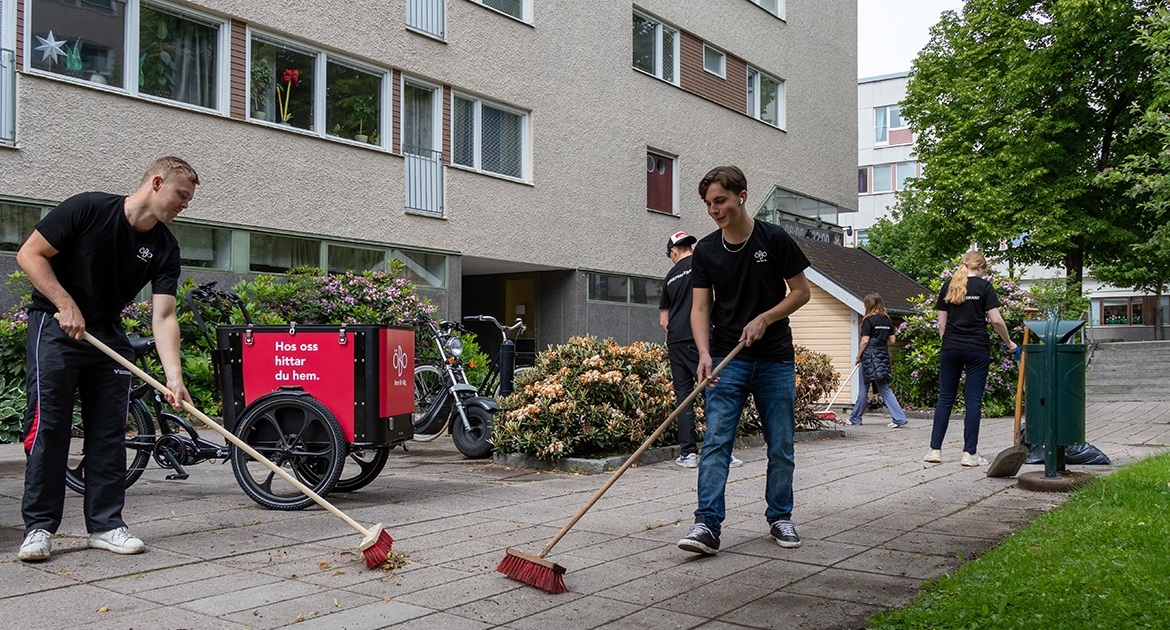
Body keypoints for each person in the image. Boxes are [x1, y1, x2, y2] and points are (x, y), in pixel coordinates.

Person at [16, 157, 198, 562]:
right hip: (56, 326)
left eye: (189, 199)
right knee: (49, 427)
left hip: (107, 332)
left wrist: (174, 376)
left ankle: (105, 525)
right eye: (181, 195)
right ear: (156, 182)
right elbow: (30, 254)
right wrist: (64, 304)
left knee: (111, 431)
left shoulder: (165, 246)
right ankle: (39, 528)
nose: (185, 205)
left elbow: (164, 315)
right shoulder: (88, 208)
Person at [677, 166, 811, 556]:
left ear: (742, 196)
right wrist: (703, 353)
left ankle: (780, 517)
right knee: (716, 441)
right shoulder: (705, 250)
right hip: (725, 358)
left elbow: (800, 292)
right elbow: (700, 308)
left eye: (720, 200)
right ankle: (707, 525)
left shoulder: (774, 238)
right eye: (708, 204)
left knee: (781, 443)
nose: (714, 210)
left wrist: (766, 318)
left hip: (774, 359)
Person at [924, 251, 1017, 467]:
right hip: (977, 348)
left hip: (951, 348)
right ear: (982, 266)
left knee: (945, 398)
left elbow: (942, 324)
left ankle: (934, 451)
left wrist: (948, 343)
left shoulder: (949, 285)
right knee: (973, 401)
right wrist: (1009, 342)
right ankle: (969, 454)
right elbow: (996, 320)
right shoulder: (985, 287)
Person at [660, 231, 742, 469]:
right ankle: (722, 452)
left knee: (684, 398)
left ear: (673, 252)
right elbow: (718, 297)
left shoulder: (668, 278)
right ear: (690, 248)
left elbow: (663, 321)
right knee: (713, 393)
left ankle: (688, 455)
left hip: (676, 341)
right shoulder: (702, 264)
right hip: (701, 339)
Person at [847, 293, 909, 428]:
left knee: (864, 388)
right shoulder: (887, 320)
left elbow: (864, 341)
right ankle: (899, 417)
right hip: (882, 356)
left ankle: (855, 418)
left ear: (868, 305)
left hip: (869, 356)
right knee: (884, 388)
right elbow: (892, 340)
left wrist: (858, 357)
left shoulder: (868, 320)